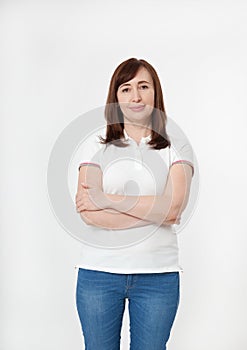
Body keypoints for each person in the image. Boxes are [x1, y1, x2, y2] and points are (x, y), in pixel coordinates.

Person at [74, 58, 194, 350]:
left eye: (143, 86)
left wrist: (107, 199)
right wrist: (157, 212)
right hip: (99, 274)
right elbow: (88, 213)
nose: (136, 96)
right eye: (126, 89)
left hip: (158, 276)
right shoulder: (96, 144)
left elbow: (174, 209)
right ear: (115, 97)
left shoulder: (176, 146)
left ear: (156, 93)